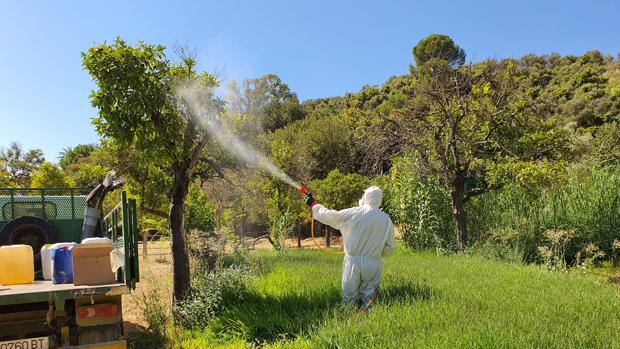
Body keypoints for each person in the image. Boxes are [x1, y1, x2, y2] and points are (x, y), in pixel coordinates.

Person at [304, 186, 396, 307]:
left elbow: (330, 215)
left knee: (349, 298)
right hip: (373, 263)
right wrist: (377, 254)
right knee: (370, 300)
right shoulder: (386, 219)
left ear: (366, 197)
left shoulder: (355, 212)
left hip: (353, 262)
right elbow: (390, 246)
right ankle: (370, 321)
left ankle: (349, 318)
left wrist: (314, 204)